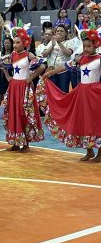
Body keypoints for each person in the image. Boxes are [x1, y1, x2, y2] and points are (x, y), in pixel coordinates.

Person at [40, 28, 101, 161]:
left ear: (96, 45)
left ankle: (100, 153)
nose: (86, 49)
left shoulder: (99, 59)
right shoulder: (80, 59)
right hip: (82, 94)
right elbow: (65, 66)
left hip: (95, 95)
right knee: (84, 121)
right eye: (84, 46)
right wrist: (50, 73)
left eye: (89, 46)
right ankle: (89, 150)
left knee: (96, 122)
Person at [1, 27, 45, 152]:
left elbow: (41, 66)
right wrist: (8, 76)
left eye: (18, 42)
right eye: (14, 42)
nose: (14, 45)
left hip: (24, 88)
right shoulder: (12, 55)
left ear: (25, 43)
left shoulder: (28, 55)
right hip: (14, 87)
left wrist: (30, 78)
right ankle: (16, 142)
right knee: (13, 113)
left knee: (24, 113)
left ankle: (26, 144)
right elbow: (4, 66)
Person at [37, 25, 74, 93]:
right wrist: (52, 46)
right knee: (52, 93)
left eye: (62, 31)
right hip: (51, 72)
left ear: (66, 33)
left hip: (63, 72)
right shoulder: (52, 42)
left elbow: (68, 53)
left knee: (63, 92)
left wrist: (59, 43)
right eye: (58, 31)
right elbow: (44, 54)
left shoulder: (69, 42)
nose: (59, 32)